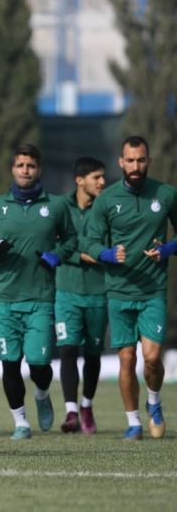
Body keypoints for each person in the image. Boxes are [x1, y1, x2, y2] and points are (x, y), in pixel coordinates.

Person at [0, 143, 76, 439]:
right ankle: (21, 423)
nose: (25, 170)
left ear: (39, 169)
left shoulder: (56, 206)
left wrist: (57, 255)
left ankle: (42, 393)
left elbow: (71, 240)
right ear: (12, 169)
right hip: (5, 300)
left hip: (41, 298)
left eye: (30, 165)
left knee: (39, 364)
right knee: (10, 364)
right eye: (20, 165)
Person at [84, 136, 177, 441]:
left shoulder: (166, 194)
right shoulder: (107, 200)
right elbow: (89, 242)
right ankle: (134, 422)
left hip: (153, 290)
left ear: (148, 161)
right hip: (119, 291)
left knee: (151, 358)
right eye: (130, 161)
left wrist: (168, 249)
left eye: (141, 160)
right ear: (121, 162)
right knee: (127, 358)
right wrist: (108, 254)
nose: (136, 166)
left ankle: (154, 401)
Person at [55, 157, 107, 434]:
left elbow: (111, 244)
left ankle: (87, 405)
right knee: (67, 349)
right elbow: (53, 242)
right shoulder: (60, 207)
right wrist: (81, 255)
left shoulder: (107, 207)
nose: (102, 182)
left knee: (93, 353)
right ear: (79, 180)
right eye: (96, 177)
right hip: (66, 291)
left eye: (103, 176)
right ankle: (71, 412)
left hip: (99, 292)